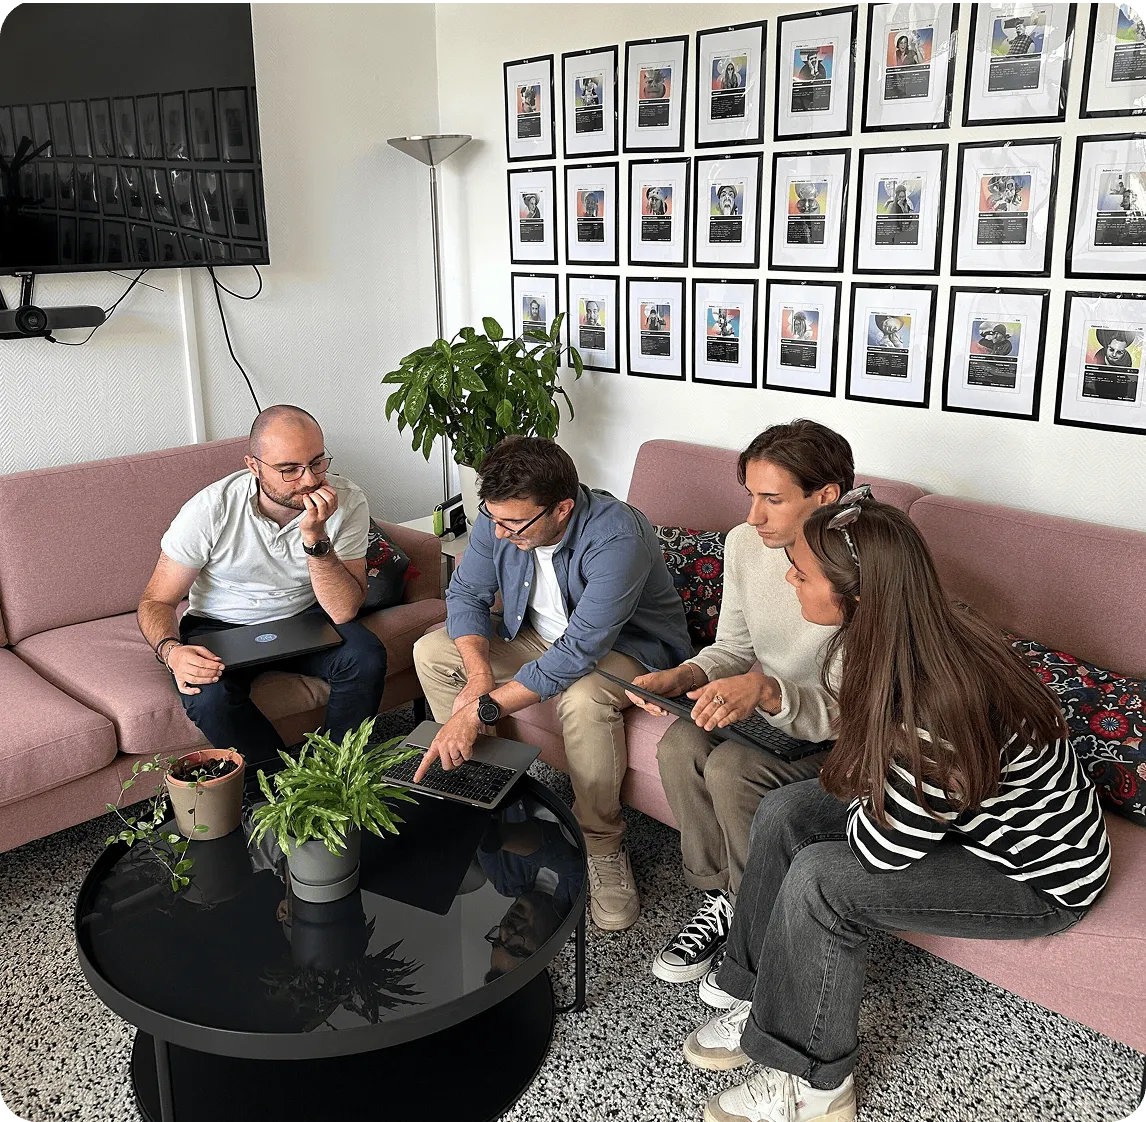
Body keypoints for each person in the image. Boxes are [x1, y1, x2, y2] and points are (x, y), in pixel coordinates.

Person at [685, 491, 1110, 1122]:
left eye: (802, 573)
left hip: (1035, 874)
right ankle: (755, 989)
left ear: (856, 597)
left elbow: (885, 848)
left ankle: (816, 1085)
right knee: (783, 812)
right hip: (968, 819)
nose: (789, 580)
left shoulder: (934, 699)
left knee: (822, 879)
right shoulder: (900, 634)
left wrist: (863, 782)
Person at [412, 437, 691, 931]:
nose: (498, 533)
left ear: (562, 508)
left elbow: (579, 652)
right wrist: (479, 677)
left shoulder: (616, 537)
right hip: (536, 635)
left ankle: (602, 846)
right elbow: (466, 593)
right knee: (432, 651)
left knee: (584, 698)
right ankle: (488, 798)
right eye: (492, 518)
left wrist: (479, 709)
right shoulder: (500, 518)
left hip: (629, 648)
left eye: (513, 525)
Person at [629, 421, 850, 1006]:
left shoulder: (862, 565)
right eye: (750, 496)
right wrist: (685, 676)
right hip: (771, 706)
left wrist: (770, 692)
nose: (753, 516)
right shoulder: (746, 544)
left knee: (730, 768)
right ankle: (723, 897)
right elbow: (733, 647)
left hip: (839, 733)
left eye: (771, 499)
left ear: (826, 496)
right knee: (680, 743)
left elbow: (855, 712)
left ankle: (761, 920)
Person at [138, 405, 386, 766]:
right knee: (207, 697)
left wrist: (315, 536)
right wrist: (171, 651)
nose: (309, 480)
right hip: (220, 625)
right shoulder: (211, 509)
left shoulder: (347, 500)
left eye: (317, 462)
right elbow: (156, 601)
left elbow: (343, 610)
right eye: (289, 469)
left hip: (304, 616)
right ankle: (279, 784)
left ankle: (335, 773)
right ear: (253, 466)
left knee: (365, 655)